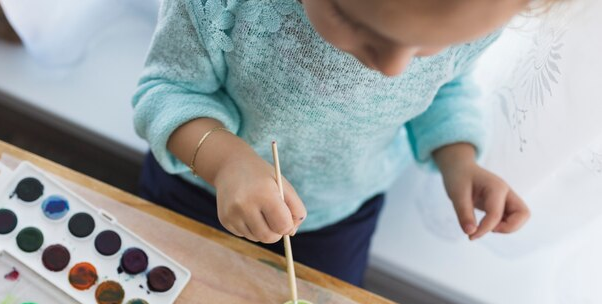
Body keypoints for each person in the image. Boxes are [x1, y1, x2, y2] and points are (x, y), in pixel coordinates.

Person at [133, 0, 532, 286]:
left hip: (338, 218)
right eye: (361, 27)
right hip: (195, 191)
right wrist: (226, 164)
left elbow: (447, 84)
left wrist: (458, 159)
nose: (394, 69)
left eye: (430, 46)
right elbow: (166, 92)